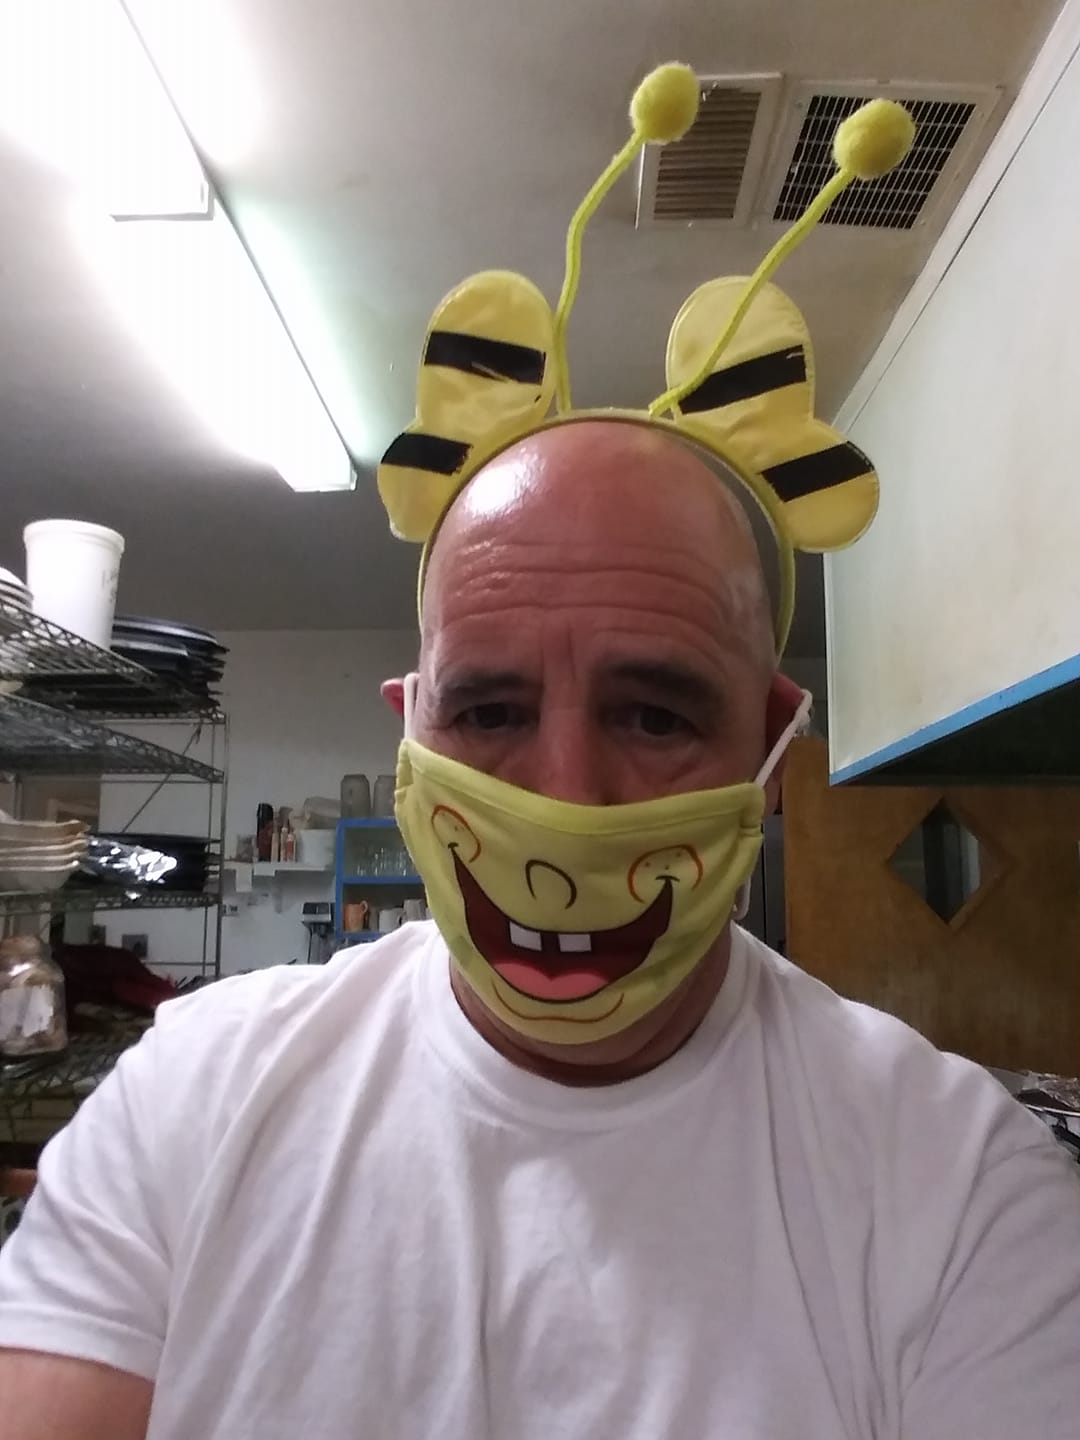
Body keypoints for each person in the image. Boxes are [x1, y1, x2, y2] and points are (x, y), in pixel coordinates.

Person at [1, 421, 1079, 1440]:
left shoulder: (960, 1189)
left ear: (769, 751)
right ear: (411, 739)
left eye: (654, 716)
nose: (566, 802)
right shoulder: (189, 1098)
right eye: (490, 713)